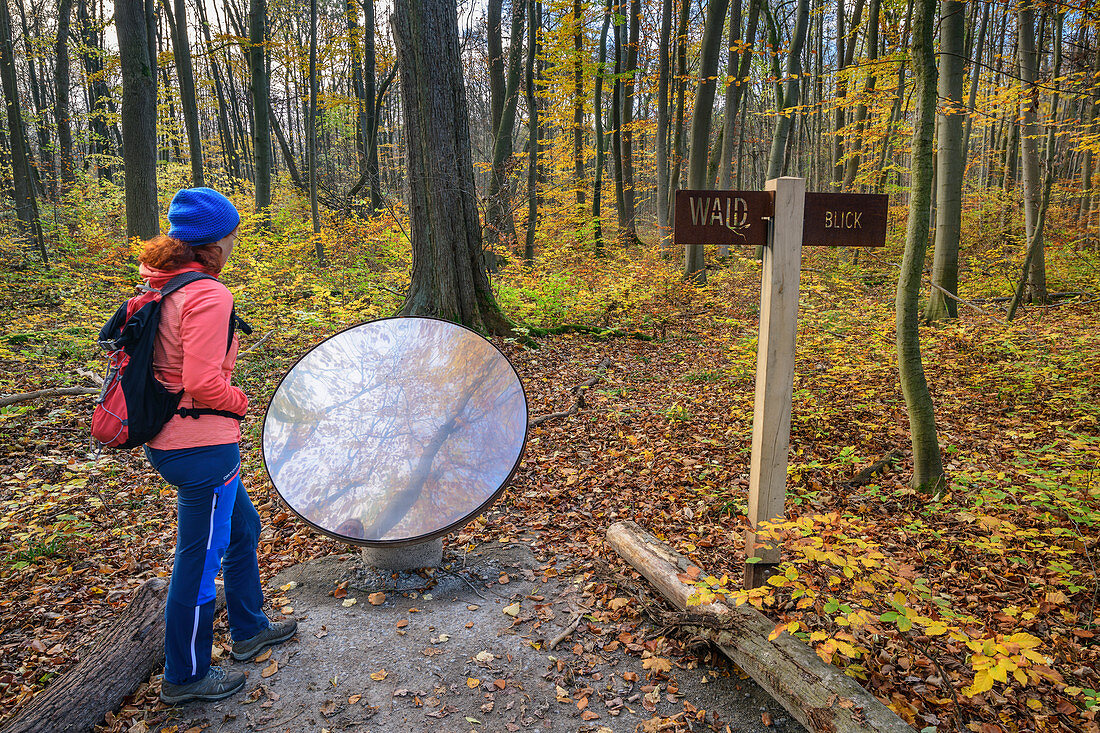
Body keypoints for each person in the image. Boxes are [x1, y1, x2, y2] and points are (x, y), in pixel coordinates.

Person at [138, 187, 296, 704]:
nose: (235, 244)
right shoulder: (208, 293)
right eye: (232, 234)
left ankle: (249, 628)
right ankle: (185, 677)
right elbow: (204, 382)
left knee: (242, 528)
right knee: (199, 560)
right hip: (201, 447)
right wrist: (242, 401)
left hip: (172, 440)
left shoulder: (163, 284)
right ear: (218, 240)